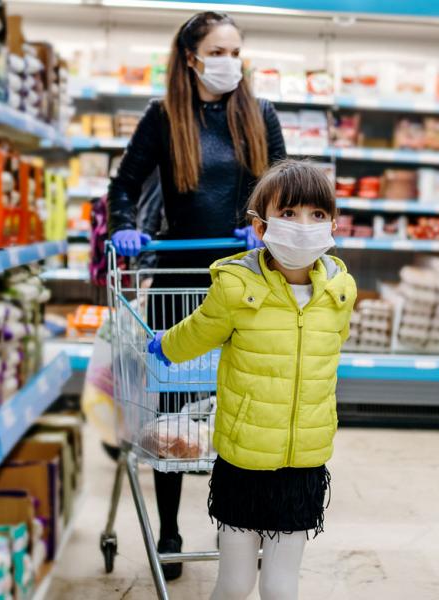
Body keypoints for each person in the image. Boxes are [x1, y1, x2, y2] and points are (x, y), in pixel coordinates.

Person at [107, 11, 286, 580]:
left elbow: (285, 184)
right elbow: (123, 186)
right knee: (171, 419)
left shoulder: (261, 115)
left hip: (245, 285)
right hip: (180, 285)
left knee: (239, 411)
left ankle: (236, 522)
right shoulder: (164, 118)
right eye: (218, 51)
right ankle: (169, 528)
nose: (229, 61)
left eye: (236, 51)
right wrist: (125, 225)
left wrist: (261, 224)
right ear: (190, 57)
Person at [149, 160, 357, 600]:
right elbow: (199, 330)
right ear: (260, 227)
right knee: (235, 582)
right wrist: (166, 345)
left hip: (304, 463)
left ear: (333, 224)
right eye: (289, 213)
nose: (304, 226)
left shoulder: (339, 292)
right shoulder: (236, 287)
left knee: (283, 586)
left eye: (317, 215)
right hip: (243, 462)